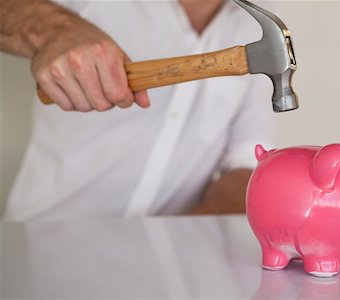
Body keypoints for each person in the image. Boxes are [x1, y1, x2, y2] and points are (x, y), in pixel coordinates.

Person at [0, 0, 275, 220]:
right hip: (44, 241)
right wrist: (56, 29)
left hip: (165, 263)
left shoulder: (253, 22)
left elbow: (246, 161)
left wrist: (191, 238)